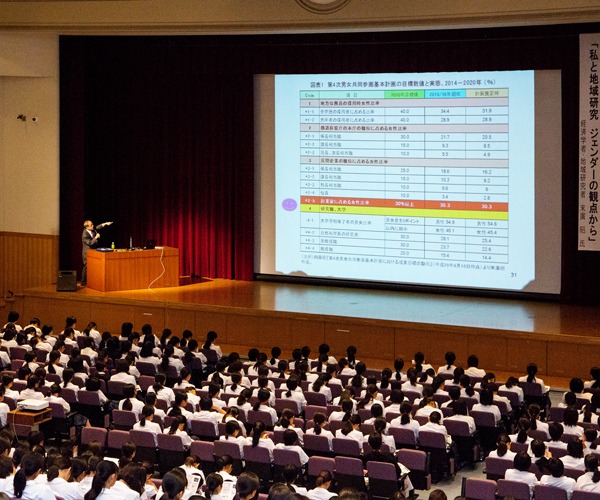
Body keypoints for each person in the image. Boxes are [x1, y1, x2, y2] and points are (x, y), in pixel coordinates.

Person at [81, 220, 112, 286]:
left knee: (93, 266)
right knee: (86, 267)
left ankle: (92, 281)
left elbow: (98, 227)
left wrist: (105, 223)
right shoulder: (84, 235)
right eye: (91, 225)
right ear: (87, 227)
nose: (93, 226)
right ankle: (83, 282)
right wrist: (96, 237)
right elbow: (90, 243)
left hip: (93, 252)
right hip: (87, 253)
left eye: (92, 224)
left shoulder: (92, 229)